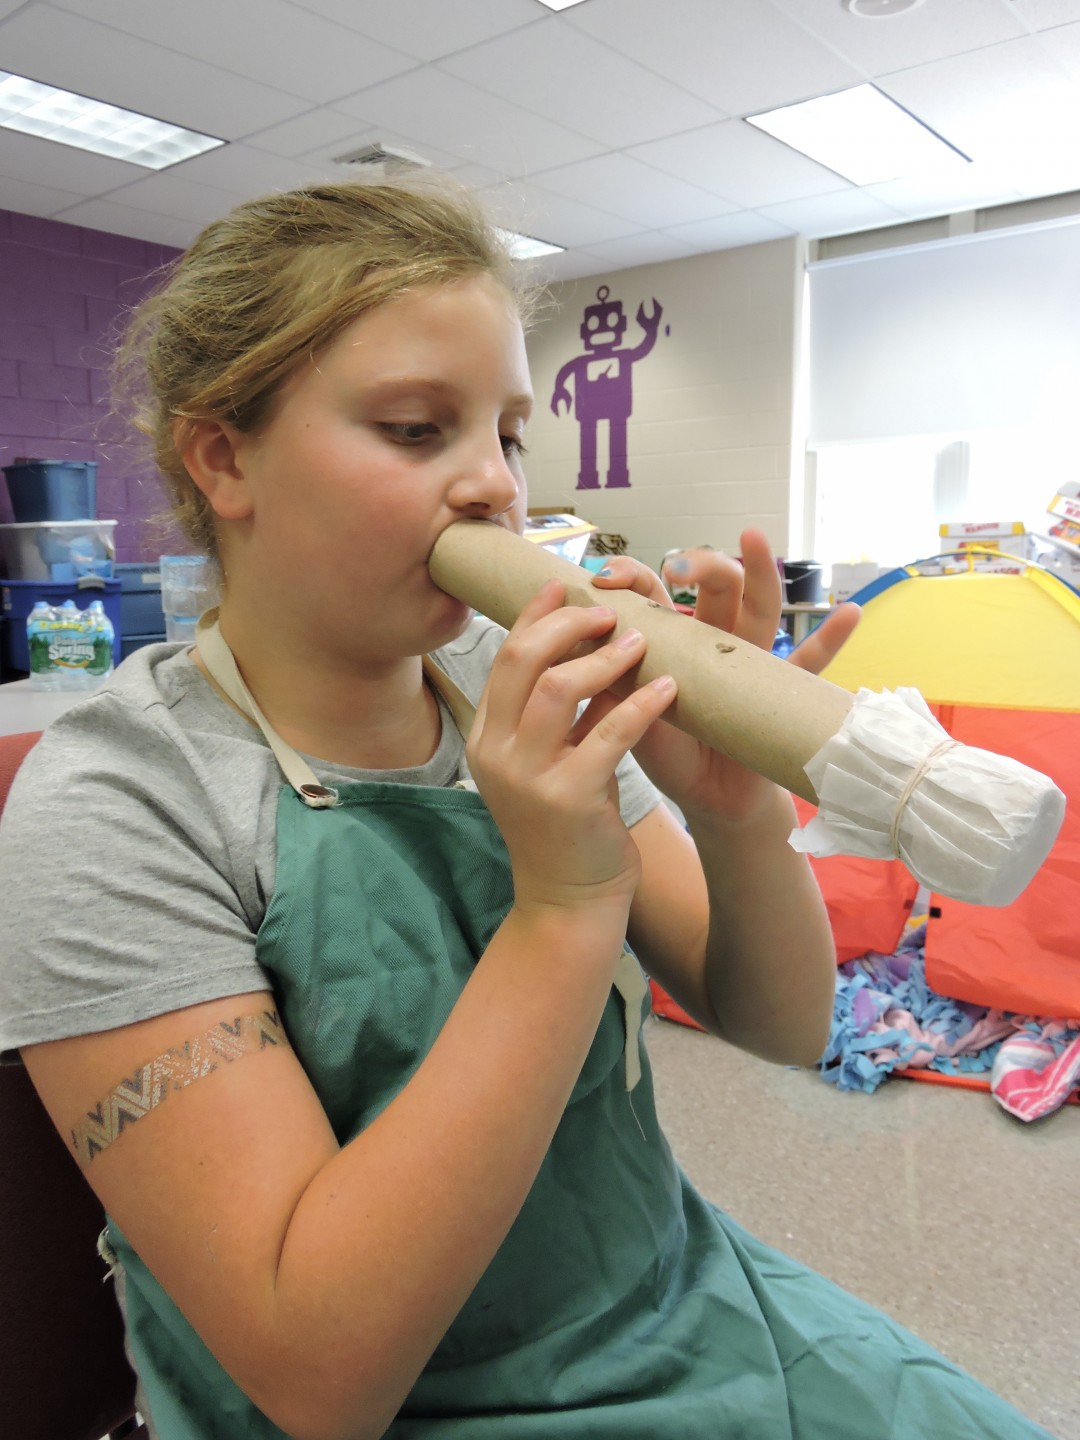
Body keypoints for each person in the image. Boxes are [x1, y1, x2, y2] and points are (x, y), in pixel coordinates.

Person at [0, 179, 1051, 1440]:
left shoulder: (517, 692)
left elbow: (778, 1025)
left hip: (674, 1307)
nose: (493, 488)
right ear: (225, 458)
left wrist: (731, 819)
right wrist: (560, 908)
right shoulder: (120, 802)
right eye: (411, 429)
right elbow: (319, 1374)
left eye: (506, 434)